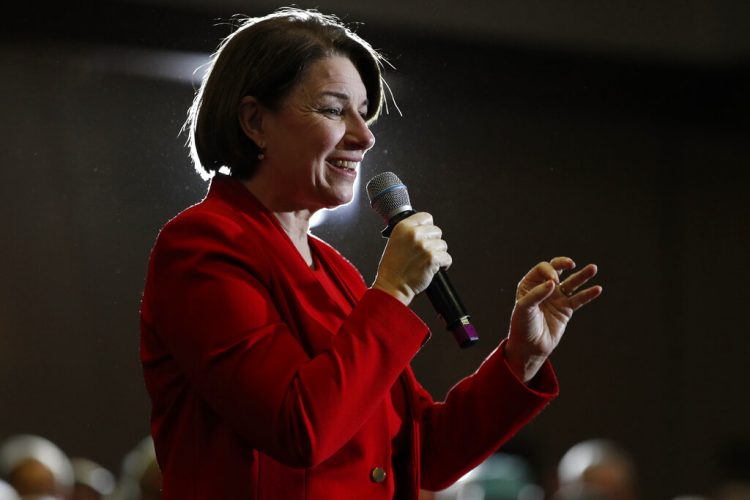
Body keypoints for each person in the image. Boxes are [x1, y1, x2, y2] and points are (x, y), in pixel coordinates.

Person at [139, 7, 603, 499]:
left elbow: (427, 454)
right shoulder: (201, 244)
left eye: (364, 112)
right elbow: (297, 427)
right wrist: (395, 290)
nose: (364, 136)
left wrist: (520, 358)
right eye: (335, 110)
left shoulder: (334, 271)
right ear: (255, 121)